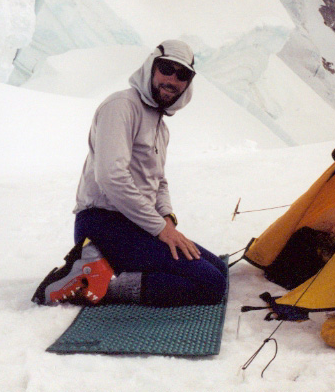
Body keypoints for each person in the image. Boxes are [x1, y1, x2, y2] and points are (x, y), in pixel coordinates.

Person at [33, 40, 227, 307]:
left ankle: (105, 269)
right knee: (211, 284)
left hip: (137, 224)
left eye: (182, 74)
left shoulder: (160, 127)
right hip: (102, 223)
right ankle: (94, 284)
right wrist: (159, 228)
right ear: (151, 67)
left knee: (219, 270)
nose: (172, 79)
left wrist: (167, 218)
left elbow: (159, 182)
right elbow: (111, 177)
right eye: (166, 69)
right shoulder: (122, 106)